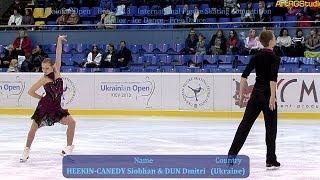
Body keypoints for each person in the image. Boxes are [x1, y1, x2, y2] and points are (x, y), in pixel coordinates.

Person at [228, 30, 281, 170]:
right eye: (274, 38)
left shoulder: (256, 56)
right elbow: (272, 79)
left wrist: (240, 96)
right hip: (268, 96)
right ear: (270, 41)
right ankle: (270, 159)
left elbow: (244, 76)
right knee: (271, 128)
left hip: (256, 95)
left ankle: (231, 156)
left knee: (245, 125)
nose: (275, 39)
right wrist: (273, 97)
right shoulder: (275, 57)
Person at [20, 35, 76, 162]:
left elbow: (58, 54)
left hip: (56, 108)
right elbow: (30, 91)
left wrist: (59, 40)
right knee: (32, 130)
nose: (44, 70)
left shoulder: (57, 71)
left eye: (46, 68)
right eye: (42, 68)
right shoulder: (43, 79)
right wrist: (41, 98)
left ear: (52, 66)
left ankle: (68, 148)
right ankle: (26, 150)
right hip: (44, 107)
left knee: (72, 123)